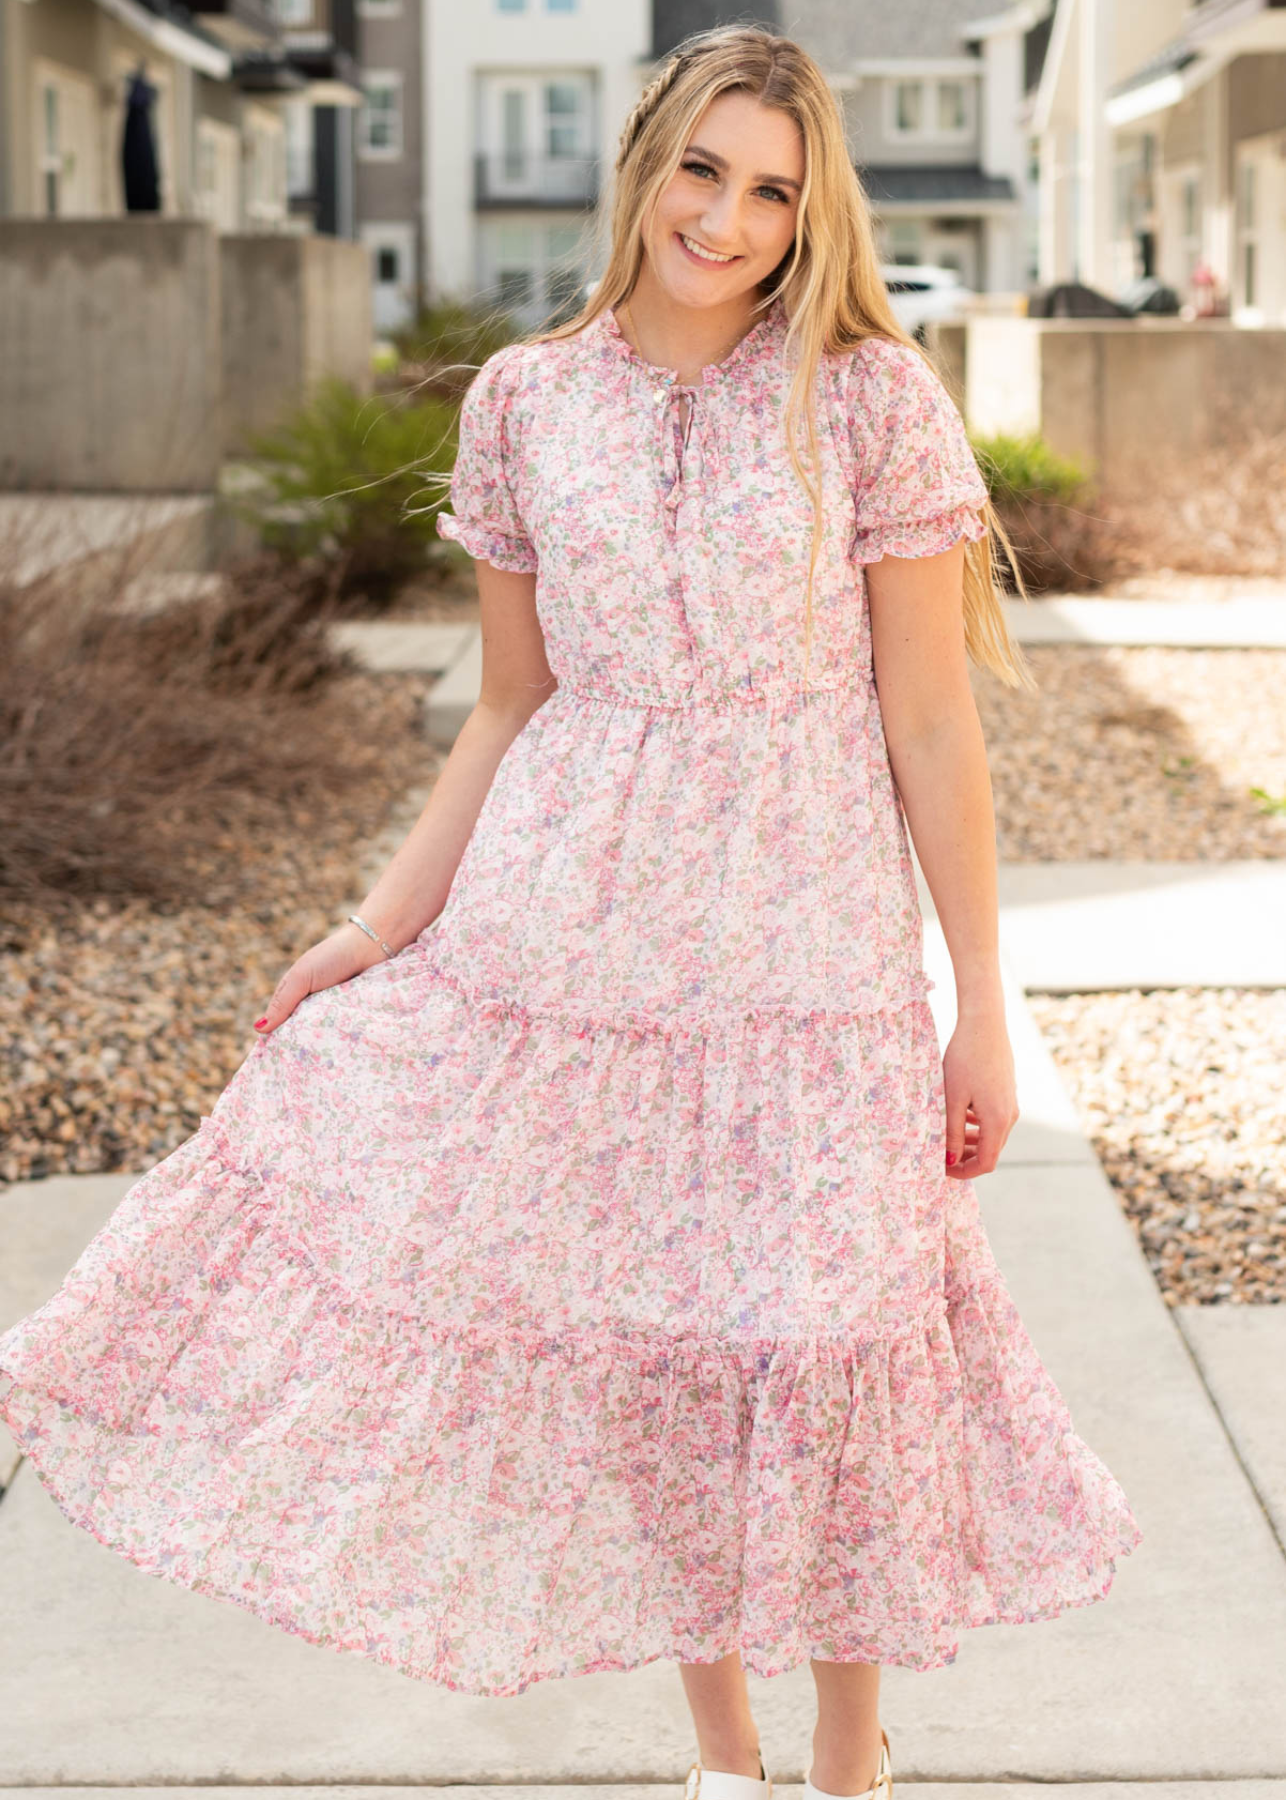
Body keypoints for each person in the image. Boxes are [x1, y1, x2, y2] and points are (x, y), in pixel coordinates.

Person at [0, 25, 1142, 1800]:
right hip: (571, 937)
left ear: (807, 208)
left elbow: (927, 715)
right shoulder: (525, 399)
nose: (730, 216)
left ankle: (851, 1756)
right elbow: (514, 703)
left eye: (772, 187)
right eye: (703, 168)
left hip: (810, 943)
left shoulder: (862, 398)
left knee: (831, 1341)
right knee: (657, 1352)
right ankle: (722, 1757)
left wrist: (976, 997)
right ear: (645, 165)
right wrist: (381, 928)